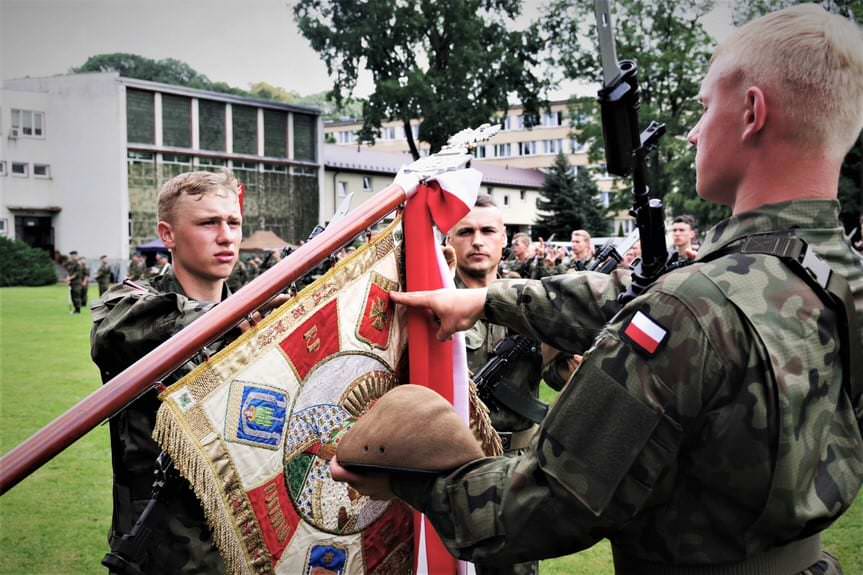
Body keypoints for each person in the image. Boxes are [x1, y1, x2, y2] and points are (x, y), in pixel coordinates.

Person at [332, 5, 863, 574]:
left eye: (706, 108)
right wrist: (487, 301)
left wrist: (409, 478)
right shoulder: (841, 277)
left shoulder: (690, 307)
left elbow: (545, 503)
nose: (692, 131)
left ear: (753, 112)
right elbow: (635, 295)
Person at [91, 171, 246, 574]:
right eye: (209, 223)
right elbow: (114, 333)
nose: (226, 236)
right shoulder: (131, 304)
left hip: (245, 539)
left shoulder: (252, 310)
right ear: (168, 234)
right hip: (161, 548)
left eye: (233, 222)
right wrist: (237, 321)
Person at [446, 194, 547, 575]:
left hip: (518, 468)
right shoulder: (436, 301)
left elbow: (558, 375)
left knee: (516, 567)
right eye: (466, 231)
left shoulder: (535, 302)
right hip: (455, 461)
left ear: (504, 239)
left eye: (488, 231)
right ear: (451, 240)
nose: (477, 241)